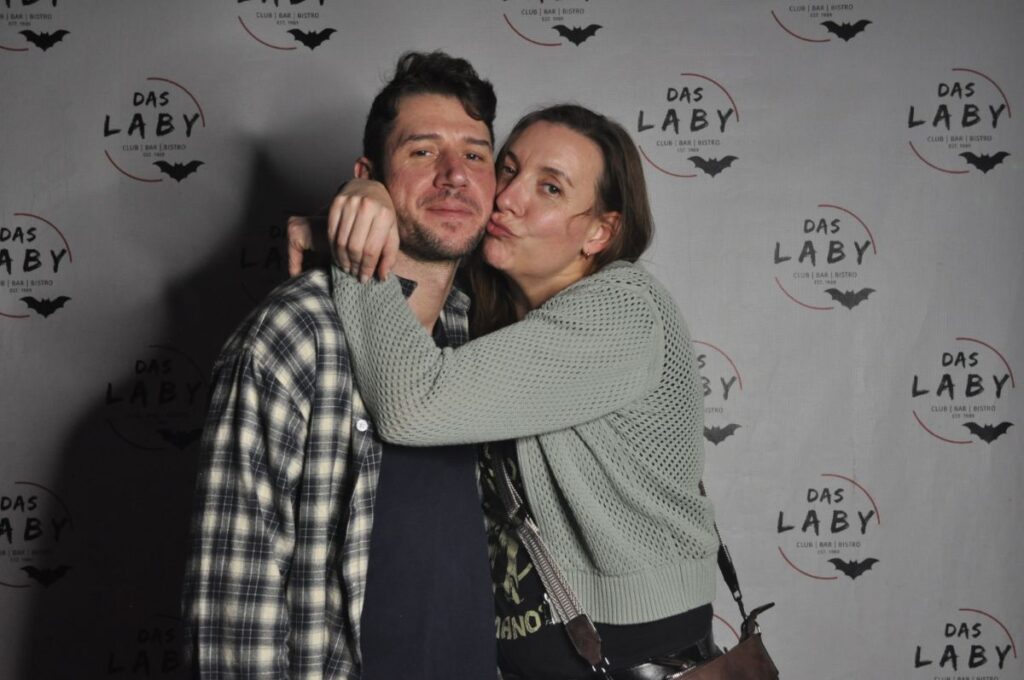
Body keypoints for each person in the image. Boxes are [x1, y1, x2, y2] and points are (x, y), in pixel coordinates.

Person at [311, 104, 720, 680]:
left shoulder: (622, 309)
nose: (507, 198)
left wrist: (356, 247)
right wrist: (359, 203)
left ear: (600, 232)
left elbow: (411, 405)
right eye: (508, 170)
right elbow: (424, 247)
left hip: (639, 657)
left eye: (550, 188)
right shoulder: (489, 310)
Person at [182, 51, 501, 679]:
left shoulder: (481, 332)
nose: (454, 176)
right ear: (369, 177)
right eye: (422, 151)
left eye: (476, 154)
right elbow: (233, 612)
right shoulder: (295, 333)